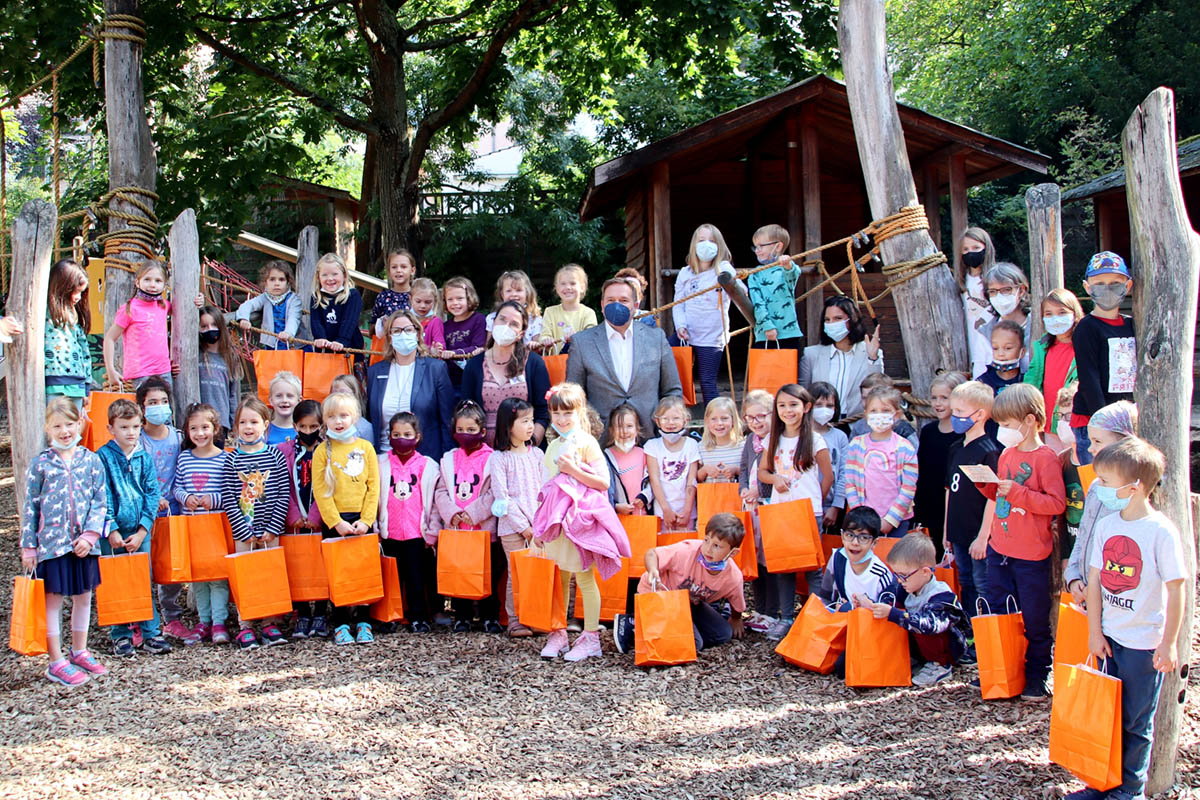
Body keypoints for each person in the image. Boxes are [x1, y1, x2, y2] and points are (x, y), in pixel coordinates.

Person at [1066, 438, 1187, 800]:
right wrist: (1093, 632)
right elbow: (1097, 583)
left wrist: (1167, 644)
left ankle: (1129, 791)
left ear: (1134, 488)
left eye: (1104, 481)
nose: (1096, 487)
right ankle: (1101, 782)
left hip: (1143, 645)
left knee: (1135, 722)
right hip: (1109, 639)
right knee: (1106, 717)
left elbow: (1177, 590)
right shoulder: (1107, 525)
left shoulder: (1161, 532)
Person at [972, 383, 1066, 699]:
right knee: (1000, 610)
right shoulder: (1007, 454)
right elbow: (1002, 498)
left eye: (1008, 425)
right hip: (1001, 547)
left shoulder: (1046, 458)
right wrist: (988, 487)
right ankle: (1001, 668)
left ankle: (1038, 674)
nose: (1003, 431)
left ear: (1028, 421)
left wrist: (1018, 493)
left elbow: (1056, 504)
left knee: (1035, 616)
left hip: (1030, 553)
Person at [533, 383, 630, 661]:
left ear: (579, 413)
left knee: (585, 578)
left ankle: (590, 638)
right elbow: (545, 487)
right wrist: (539, 523)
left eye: (567, 413)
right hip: (556, 522)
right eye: (556, 414)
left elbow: (603, 482)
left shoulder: (586, 443)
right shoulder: (552, 446)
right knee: (560, 578)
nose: (561, 419)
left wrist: (574, 470)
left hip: (580, 521)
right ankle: (559, 631)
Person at [20, 399, 109, 686]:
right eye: (57, 426)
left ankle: (79, 649)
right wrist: (28, 546)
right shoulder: (41, 464)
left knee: (84, 597)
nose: (64, 431)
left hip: (85, 544)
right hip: (52, 545)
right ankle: (55, 660)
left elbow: (100, 501)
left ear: (80, 424)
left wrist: (91, 535)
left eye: (69, 424)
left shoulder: (91, 460)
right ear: (47, 428)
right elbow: (30, 507)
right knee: (53, 600)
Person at [757, 383, 833, 640]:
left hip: (808, 511)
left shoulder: (815, 439)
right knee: (784, 567)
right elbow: (763, 472)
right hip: (781, 510)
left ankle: (815, 616)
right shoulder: (772, 438)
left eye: (793, 404)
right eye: (782, 405)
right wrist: (775, 479)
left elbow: (828, 476)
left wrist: (815, 502)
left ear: (806, 407)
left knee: (813, 567)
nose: (788, 410)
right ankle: (786, 616)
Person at [613, 512, 748, 654]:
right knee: (694, 644)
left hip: (689, 603)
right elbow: (652, 553)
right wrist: (653, 570)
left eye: (717, 546)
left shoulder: (733, 576)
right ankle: (633, 623)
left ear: (732, 553)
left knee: (723, 634)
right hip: (661, 596)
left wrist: (736, 618)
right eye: (706, 540)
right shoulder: (688, 550)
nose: (708, 549)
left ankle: (671, 630)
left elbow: (737, 602)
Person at [97, 398, 171, 656]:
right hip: (113, 533)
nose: (131, 433)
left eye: (135, 426)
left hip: (140, 532)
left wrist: (143, 530)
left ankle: (151, 632)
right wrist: (112, 529)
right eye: (124, 427)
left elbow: (153, 493)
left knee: (142, 579)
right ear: (111, 429)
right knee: (116, 581)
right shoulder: (103, 458)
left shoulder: (144, 457)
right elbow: (101, 494)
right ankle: (121, 635)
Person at [565, 276, 682, 430]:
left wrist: (668, 427)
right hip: (601, 438)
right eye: (611, 300)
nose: (616, 305)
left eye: (623, 300)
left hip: (650, 435)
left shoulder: (656, 338)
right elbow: (574, 396)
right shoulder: (581, 342)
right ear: (602, 305)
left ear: (635, 305)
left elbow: (672, 391)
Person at [219, 395, 289, 650]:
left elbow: (283, 493)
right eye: (243, 422)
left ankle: (271, 621)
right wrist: (242, 530)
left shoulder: (276, 456)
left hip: (271, 530)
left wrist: (273, 528)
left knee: (270, 573)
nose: (248, 428)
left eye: (254, 422)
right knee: (245, 574)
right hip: (243, 532)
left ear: (265, 424)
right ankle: (246, 624)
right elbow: (228, 496)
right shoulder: (231, 460)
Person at [313, 392, 381, 646]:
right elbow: (321, 491)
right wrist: (335, 522)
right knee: (338, 572)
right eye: (332, 416)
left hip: (361, 521)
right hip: (336, 523)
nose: (338, 421)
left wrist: (366, 520)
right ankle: (341, 622)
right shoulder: (322, 451)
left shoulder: (366, 449)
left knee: (363, 571)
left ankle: (364, 621)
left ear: (355, 417)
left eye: (343, 415)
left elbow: (373, 487)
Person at [865, 531, 971, 687]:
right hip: (919, 643)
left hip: (947, 648)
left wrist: (892, 613)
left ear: (925, 572)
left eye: (904, 575)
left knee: (917, 620)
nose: (900, 581)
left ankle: (940, 666)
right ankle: (913, 656)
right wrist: (871, 604)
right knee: (896, 607)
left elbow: (930, 625)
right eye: (897, 575)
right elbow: (890, 593)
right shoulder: (908, 586)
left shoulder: (941, 596)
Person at [1063, 400, 1138, 606]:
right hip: (1086, 593)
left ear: (1124, 443)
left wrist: (1098, 591)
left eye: (1098, 441)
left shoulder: (1134, 495)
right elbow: (1083, 534)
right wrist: (1073, 576)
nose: (1091, 448)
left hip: (1115, 598)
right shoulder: (1096, 487)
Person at [432, 400, 497, 632]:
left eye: (471, 430)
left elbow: (493, 492)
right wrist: (454, 513)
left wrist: (474, 513)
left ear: (482, 431)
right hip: (457, 528)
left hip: (482, 528)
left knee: (487, 571)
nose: (465, 434)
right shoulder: (448, 459)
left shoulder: (492, 458)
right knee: (460, 571)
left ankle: (490, 615)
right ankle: (462, 615)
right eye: (460, 430)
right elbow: (440, 491)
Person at [136, 377, 193, 643]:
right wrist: (151, 497)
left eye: (163, 402)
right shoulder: (138, 440)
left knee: (171, 567)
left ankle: (172, 618)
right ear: (142, 408)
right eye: (152, 403)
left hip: (174, 510)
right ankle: (141, 621)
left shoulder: (178, 438)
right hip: (144, 513)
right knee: (143, 566)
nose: (159, 407)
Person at [486, 398, 548, 638]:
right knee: (517, 574)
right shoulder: (499, 458)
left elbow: (545, 491)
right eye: (524, 421)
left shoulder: (537, 455)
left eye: (531, 420)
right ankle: (515, 619)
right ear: (508, 425)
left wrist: (539, 524)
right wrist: (524, 527)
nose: (530, 426)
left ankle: (537, 616)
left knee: (539, 573)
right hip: (512, 528)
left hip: (538, 526)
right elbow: (502, 499)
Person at [1069, 251, 1137, 466]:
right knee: (1098, 478)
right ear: (1088, 287)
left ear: (1127, 286)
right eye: (1099, 283)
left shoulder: (1132, 325)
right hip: (1094, 420)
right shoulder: (1087, 328)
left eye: (1115, 282)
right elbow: (1089, 378)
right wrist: (1103, 423)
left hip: (1124, 421)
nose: (1107, 288)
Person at [376, 411, 440, 635]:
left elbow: (433, 502)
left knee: (416, 578)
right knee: (391, 577)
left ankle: (418, 616)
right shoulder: (381, 463)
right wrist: (376, 525)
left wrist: (431, 532)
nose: (401, 438)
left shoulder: (428, 466)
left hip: (416, 533)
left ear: (418, 436)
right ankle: (389, 616)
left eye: (407, 434)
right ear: (389, 436)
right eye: (396, 434)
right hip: (389, 532)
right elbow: (375, 496)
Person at [172, 403, 230, 645]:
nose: (200, 433)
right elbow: (176, 487)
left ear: (215, 428)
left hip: (215, 527)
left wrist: (212, 499)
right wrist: (186, 497)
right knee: (198, 578)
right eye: (193, 428)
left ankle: (219, 622)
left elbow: (230, 492)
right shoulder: (184, 459)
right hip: (192, 528)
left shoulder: (225, 458)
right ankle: (203, 622)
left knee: (217, 576)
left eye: (205, 427)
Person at [945, 380, 1001, 621]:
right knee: (965, 582)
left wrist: (983, 536)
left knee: (982, 585)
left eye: (959, 412)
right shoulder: (956, 448)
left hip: (978, 535)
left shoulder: (988, 451)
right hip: (958, 533)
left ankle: (985, 636)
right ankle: (969, 633)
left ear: (979, 415)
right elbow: (949, 489)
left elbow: (994, 497)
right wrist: (947, 531)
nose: (954, 416)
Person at [365, 309, 456, 458]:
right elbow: (370, 418)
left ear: (418, 333)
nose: (403, 335)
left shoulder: (435, 369)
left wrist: (447, 462)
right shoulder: (374, 372)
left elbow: (447, 422)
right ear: (389, 337)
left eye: (408, 330)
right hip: (382, 459)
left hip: (424, 461)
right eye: (396, 331)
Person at [670, 223, 744, 406]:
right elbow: (677, 304)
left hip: (712, 336)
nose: (706, 244)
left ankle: (715, 420)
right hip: (686, 333)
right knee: (671, 368)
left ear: (719, 245)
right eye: (702, 240)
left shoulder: (723, 268)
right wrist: (680, 326)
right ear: (694, 245)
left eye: (712, 241)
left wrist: (730, 279)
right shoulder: (685, 273)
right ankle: (675, 416)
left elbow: (741, 292)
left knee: (707, 381)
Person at [461, 300, 551, 445]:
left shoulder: (534, 363)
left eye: (514, 324)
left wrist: (531, 444)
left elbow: (543, 411)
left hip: (525, 452)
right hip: (485, 454)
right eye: (502, 320)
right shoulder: (474, 364)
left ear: (521, 334)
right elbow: (466, 409)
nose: (505, 327)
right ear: (493, 322)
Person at [277, 399, 329, 639]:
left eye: (313, 426)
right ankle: (301, 612)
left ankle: (320, 611)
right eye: (303, 427)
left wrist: (318, 514)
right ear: (295, 426)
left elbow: (331, 486)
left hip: (320, 518)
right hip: (295, 522)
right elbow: (281, 486)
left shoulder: (328, 450)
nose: (308, 432)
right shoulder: (283, 451)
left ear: (321, 425)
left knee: (320, 564)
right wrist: (294, 515)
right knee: (296, 564)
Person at [845, 386, 919, 537]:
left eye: (885, 411)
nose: (879, 415)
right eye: (873, 411)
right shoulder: (856, 445)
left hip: (898, 520)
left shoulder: (905, 447)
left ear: (896, 415)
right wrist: (860, 516)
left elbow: (909, 488)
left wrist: (891, 520)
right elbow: (850, 484)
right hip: (863, 521)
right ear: (866, 414)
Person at [799, 295, 884, 419]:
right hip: (820, 424)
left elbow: (878, 389)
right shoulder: (811, 354)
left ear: (852, 320)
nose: (831, 323)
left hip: (857, 424)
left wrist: (873, 358)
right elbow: (802, 393)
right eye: (827, 320)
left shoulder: (869, 352)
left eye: (838, 318)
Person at [913, 371, 967, 560]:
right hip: (928, 507)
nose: (938, 403)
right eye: (934, 398)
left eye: (944, 398)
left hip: (953, 508)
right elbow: (922, 473)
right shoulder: (928, 432)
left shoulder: (964, 436)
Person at [1023, 288, 1083, 448]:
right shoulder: (1042, 347)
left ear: (1075, 313)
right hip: (1049, 422)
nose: (1055, 318)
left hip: (1075, 420)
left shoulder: (1085, 346)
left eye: (1062, 312)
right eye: (1048, 314)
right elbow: (1031, 382)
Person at [103, 260, 172, 389]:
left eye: (158, 281)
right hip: (141, 373)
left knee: (167, 408)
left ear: (164, 286)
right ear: (137, 282)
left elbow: (186, 309)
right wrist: (110, 369)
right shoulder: (129, 309)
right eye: (147, 280)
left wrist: (198, 301)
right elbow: (110, 338)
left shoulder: (164, 305)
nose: (152, 285)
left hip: (164, 371)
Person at [817, 506, 897, 610]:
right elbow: (825, 597)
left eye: (863, 538)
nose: (855, 543)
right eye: (850, 535)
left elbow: (885, 614)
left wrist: (850, 609)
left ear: (874, 543)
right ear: (842, 536)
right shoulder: (838, 558)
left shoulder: (881, 575)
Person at [644, 395, 700, 531]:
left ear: (685, 420)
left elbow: (691, 481)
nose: (671, 423)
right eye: (665, 418)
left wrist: (687, 511)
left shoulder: (691, 445)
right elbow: (654, 480)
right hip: (662, 512)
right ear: (657, 421)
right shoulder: (652, 446)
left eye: (676, 418)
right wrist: (665, 509)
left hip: (686, 513)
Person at [44, 259, 93, 410]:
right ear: (62, 287)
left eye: (81, 292)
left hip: (76, 384)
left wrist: (86, 386)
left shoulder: (74, 317)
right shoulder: (45, 313)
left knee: (73, 428)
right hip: (53, 382)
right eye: (76, 291)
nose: (78, 297)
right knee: (54, 426)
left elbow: (84, 351)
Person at [746, 223, 801, 348]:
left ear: (778, 246)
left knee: (789, 367)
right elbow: (757, 302)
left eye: (761, 246)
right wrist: (767, 326)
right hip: (764, 334)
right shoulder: (755, 274)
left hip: (789, 333)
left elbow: (793, 275)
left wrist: (788, 264)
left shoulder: (787, 268)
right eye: (755, 247)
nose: (757, 251)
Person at [955, 227, 998, 378]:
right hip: (970, 342)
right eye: (965, 249)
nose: (970, 253)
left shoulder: (995, 278)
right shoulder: (961, 281)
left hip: (992, 340)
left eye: (976, 248)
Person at [310, 252, 365, 365]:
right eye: (324, 275)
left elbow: (349, 321)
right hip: (325, 351)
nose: (330, 279)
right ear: (318, 277)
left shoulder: (352, 295)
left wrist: (342, 340)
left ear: (344, 275)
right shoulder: (316, 296)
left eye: (335, 274)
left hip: (349, 350)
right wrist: (320, 338)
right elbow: (316, 321)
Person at [234, 260, 301, 349]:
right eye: (272, 279)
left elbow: (294, 318)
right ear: (265, 282)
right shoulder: (265, 297)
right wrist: (244, 318)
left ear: (288, 282)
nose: (277, 283)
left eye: (281, 279)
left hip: (292, 344)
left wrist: (288, 333)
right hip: (272, 345)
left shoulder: (294, 300)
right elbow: (248, 305)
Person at [809, 382, 848, 533]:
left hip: (831, 506)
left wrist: (836, 506)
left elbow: (844, 473)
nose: (824, 409)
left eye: (829, 405)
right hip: (805, 504)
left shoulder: (840, 437)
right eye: (818, 405)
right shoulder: (799, 435)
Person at [980, 261, 1032, 374]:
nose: (999, 296)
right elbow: (980, 372)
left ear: (1021, 290)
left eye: (1006, 290)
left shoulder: (1037, 324)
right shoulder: (986, 332)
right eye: (993, 291)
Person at [198, 305, 243, 432]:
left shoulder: (230, 357)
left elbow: (232, 394)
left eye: (214, 325)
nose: (210, 329)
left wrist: (234, 422)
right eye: (204, 326)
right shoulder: (195, 355)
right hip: (197, 421)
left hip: (220, 421)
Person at [440, 276, 488, 390]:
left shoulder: (478, 320)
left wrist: (454, 353)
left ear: (469, 298)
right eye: (450, 299)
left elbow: (478, 347)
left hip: (473, 378)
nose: (455, 303)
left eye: (460, 298)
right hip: (450, 379)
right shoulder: (445, 326)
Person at [539, 263, 597, 353]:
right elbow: (544, 337)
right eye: (563, 284)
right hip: (557, 364)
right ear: (557, 288)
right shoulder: (550, 312)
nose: (568, 287)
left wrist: (577, 337)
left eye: (573, 283)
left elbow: (592, 339)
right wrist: (546, 340)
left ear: (582, 287)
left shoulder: (588, 313)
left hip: (581, 364)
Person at [848, 373, 918, 444]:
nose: (868, 402)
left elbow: (913, 451)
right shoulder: (859, 426)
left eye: (873, 398)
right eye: (865, 398)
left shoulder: (903, 429)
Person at [603, 403, 647, 514]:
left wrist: (646, 497)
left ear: (637, 429)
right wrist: (615, 505)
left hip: (644, 517)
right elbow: (603, 489)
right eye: (619, 426)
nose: (624, 431)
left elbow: (652, 482)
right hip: (618, 518)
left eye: (629, 426)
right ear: (611, 430)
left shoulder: (644, 454)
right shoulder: (606, 456)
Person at [484, 270, 545, 347]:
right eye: (509, 291)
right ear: (502, 294)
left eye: (518, 290)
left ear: (527, 293)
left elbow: (538, 347)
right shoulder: (493, 318)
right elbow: (488, 346)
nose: (514, 294)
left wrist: (534, 345)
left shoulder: (535, 319)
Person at [697, 397, 744, 484]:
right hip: (710, 496)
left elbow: (751, 475)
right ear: (707, 421)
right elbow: (696, 479)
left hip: (737, 495)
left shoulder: (743, 446)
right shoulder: (701, 447)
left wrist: (736, 470)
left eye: (724, 418)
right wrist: (705, 470)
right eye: (713, 419)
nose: (719, 423)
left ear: (733, 420)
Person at [370, 248, 416, 336]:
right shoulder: (383, 297)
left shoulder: (417, 296)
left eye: (403, 267)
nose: (398, 270)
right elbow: (372, 329)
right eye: (394, 267)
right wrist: (382, 325)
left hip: (413, 346)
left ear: (412, 270)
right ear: (389, 271)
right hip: (388, 346)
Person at [978, 320, 1025, 396]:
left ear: (1022, 352)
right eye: (995, 348)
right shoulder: (982, 383)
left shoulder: (1027, 381)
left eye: (1008, 348)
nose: (1000, 354)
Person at [329, 374, 375, 446]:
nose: (338, 397)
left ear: (355, 394)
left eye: (343, 393)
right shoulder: (327, 423)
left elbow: (370, 453)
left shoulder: (364, 427)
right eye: (334, 393)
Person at [265, 371, 302, 446]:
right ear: (271, 400)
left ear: (299, 400)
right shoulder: (263, 432)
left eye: (289, 396)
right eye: (278, 396)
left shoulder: (305, 430)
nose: (284, 400)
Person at [410, 277, 446, 350]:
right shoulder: (405, 320)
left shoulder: (435, 322)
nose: (423, 306)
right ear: (410, 299)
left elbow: (440, 344)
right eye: (418, 301)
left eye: (428, 302)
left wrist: (438, 348)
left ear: (434, 301)